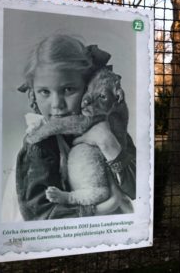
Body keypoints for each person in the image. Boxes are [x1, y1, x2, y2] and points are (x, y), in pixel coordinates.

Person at [16, 34, 136, 221]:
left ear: (88, 86)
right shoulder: (40, 143)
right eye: (44, 92)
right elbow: (40, 214)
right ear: (33, 92)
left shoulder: (108, 129)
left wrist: (109, 144)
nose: (57, 104)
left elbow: (136, 189)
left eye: (68, 89)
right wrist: (104, 207)